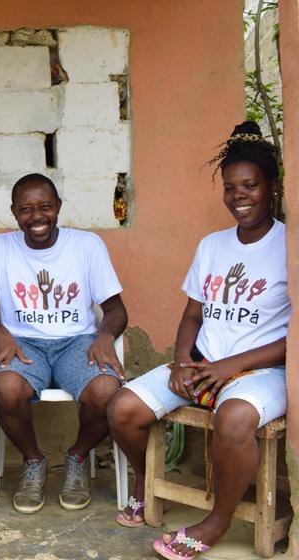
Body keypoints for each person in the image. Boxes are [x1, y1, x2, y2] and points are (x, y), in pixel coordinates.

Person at [108, 121, 289, 559]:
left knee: (234, 419)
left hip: (263, 370)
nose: (239, 197)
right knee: (122, 409)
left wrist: (232, 366)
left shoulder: (291, 245)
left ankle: (217, 520)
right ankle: (146, 485)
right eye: (230, 188)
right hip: (203, 361)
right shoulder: (212, 245)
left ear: (273, 187)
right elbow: (193, 313)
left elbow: (296, 333)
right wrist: (182, 360)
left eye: (250, 185)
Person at [0, 172, 128, 514]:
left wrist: (106, 336)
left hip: (76, 343)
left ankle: (78, 456)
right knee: (5, 387)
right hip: (23, 345)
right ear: (14, 212)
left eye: (45, 207)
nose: (36, 217)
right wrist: (0, 332)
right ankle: (33, 461)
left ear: (59, 208)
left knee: (107, 391)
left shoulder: (86, 245)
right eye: (26, 209)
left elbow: (115, 309)